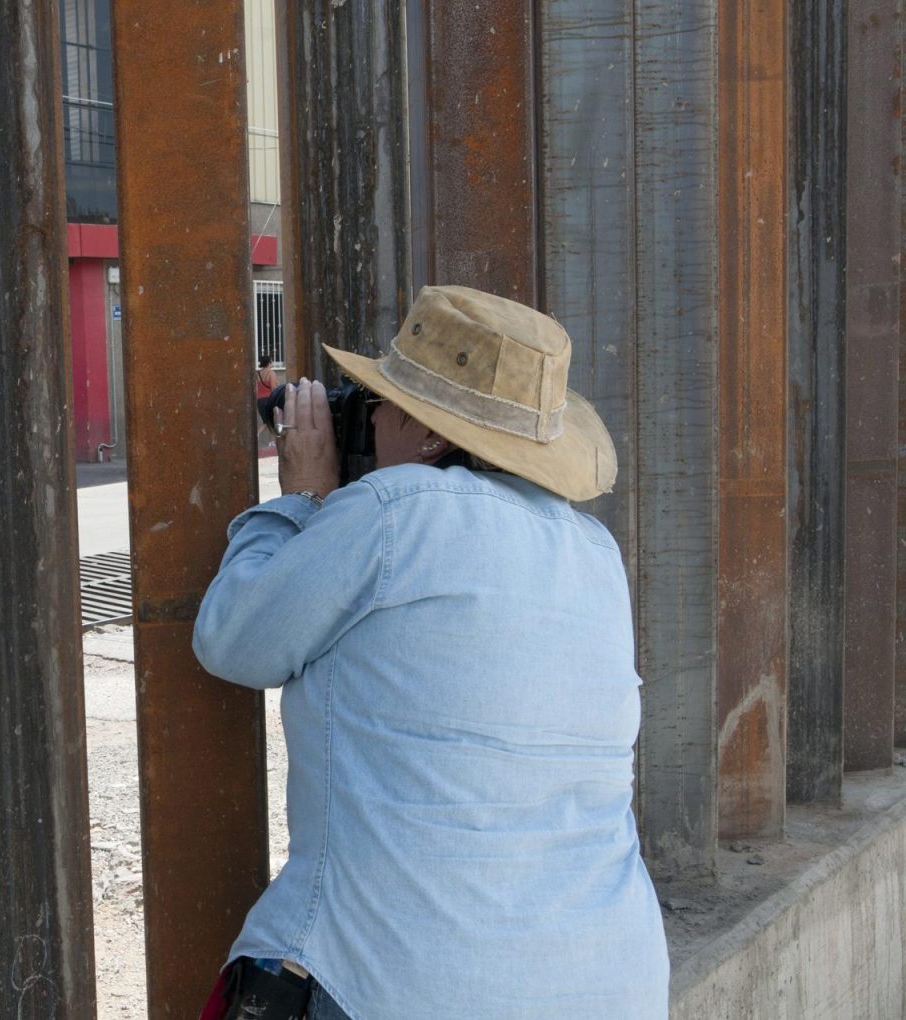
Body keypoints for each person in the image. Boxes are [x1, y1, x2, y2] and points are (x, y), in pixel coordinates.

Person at [193, 285, 668, 1019]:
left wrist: (302, 502)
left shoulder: (395, 510)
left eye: (382, 401)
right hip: (608, 977)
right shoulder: (595, 552)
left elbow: (234, 639)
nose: (370, 415)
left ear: (429, 435)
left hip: (402, 982)